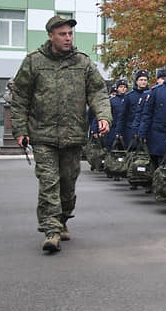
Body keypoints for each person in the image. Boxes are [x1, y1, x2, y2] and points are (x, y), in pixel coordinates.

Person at [10, 15, 111, 253]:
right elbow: (20, 97)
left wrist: (103, 116)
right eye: (62, 34)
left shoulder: (82, 62)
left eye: (70, 34)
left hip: (73, 135)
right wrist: (20, 130)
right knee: (48, 182)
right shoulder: (34, 61)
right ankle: (51, 230)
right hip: (42, 135)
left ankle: (63, 219)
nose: (67, 38)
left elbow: (97, 92)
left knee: (68, 184)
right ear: (51, 36)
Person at [117, 69, 150, 147]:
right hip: (130, 129)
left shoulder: (151, 94)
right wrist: (119, 132)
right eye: (141, 80)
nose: (143, 82)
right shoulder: (129, 96)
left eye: (145, 80)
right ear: (136, 81)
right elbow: (122, 115)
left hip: (146, 130)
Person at [106, 79, 127, 149]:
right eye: (121, 87)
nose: (123, 89)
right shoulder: (112, 101)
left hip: (125, 128)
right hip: (113, 128)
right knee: (111, 148)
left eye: (124, 87)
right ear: (117, 88)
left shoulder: (128, 98)